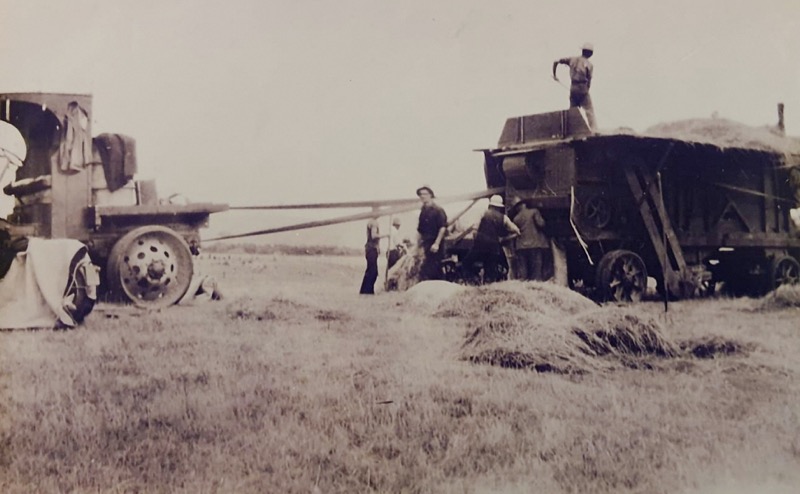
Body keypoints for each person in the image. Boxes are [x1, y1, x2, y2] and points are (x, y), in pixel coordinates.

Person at [463, 195, 521, 284]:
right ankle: (488, 285)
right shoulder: (504, 217)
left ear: (490, 205)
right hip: (494, 248)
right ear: (499, 207)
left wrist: (476, 240)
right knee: (490, 269)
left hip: (480, 246)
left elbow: (475, 230)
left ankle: (474, 279)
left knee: (466, 262)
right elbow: (517, 232)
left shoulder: (483, 213)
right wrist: (504, 239)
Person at [552, 42, 597, 130]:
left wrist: (555, 75)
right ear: (590, 53)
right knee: (589, 110)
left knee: (573, 110)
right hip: (582, 87)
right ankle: (594, 130)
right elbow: (589, 80)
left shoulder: (572, 59)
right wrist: (586, 90)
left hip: (573, 88)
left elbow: (556, 61)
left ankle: (571, 130)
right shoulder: (589, 64)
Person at [416, 185, 448, 281]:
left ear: (430, 195)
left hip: (435, 243)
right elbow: (420, 230)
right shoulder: (423, 211)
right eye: (421, 194)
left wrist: (437, 244)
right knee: (428, 269)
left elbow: (442, 228)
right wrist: (418, 245)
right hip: (426, 243)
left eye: (425, 194)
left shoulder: (438, 210)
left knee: (434, 268)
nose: (422, 196)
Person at [512, 201, 549, 281]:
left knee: (523, 272)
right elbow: (541, 224)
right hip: (534, 244)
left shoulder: (516, 218)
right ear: (524, 204)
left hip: (521, 246)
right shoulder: (534, 212)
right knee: (536, 271)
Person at [359, 211, 389, 294]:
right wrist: (386, 235)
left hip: (370, 249)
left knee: (371, 271)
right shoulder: (374, 223)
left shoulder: (371, 222)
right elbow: (374, 236)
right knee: (373, 271)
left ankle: (367, 291)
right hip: (371, 249)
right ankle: (366, 291)